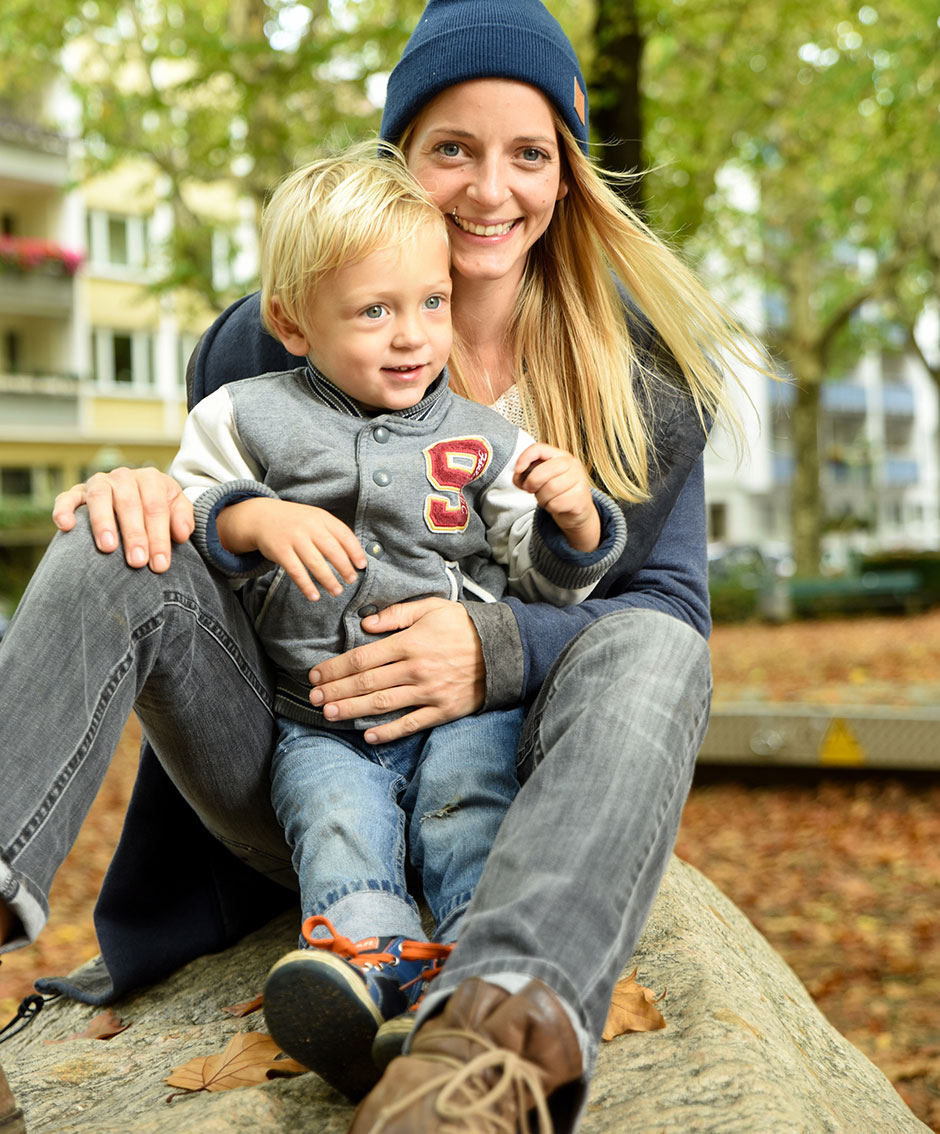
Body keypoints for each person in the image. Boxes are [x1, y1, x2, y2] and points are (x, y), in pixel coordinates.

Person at [0, 0, 763, 1130]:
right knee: (106, 529)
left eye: (528, 154)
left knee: (652, 644)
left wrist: (495, 648)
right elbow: (208, 514)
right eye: (452, 147)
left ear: (568, 175)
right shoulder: (269, 340)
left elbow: (665, 609)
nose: (489, 190)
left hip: (493, 765)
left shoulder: (644, 374)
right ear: (400, 157)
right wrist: (163, 502)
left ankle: (486, 1048)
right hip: (294, 754)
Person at [169, 146, 624, 1101]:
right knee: (335, 821)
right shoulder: (246, 416)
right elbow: (186, 509)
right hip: (318, 717)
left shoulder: (485, 436)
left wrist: (574, 520)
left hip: (464, 715)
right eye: (375, 311)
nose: (413, 336)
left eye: (432, 303)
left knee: (469, 811)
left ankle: (465, 978)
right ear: (292, 321)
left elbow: (544, 581)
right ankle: (362, 964)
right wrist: (256, 517)